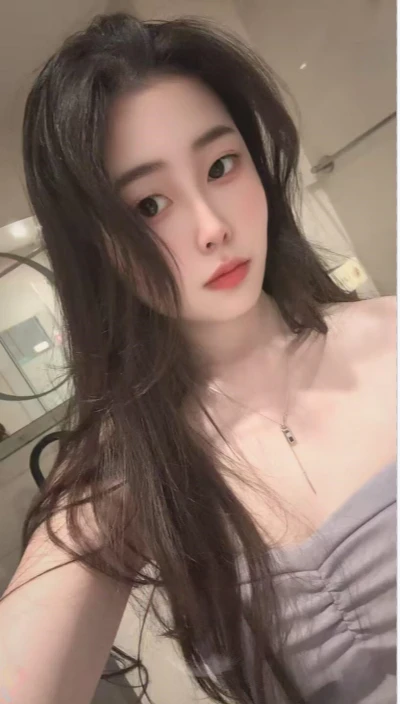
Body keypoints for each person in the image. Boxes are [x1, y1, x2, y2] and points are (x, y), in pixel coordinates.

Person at [0, 12, 395, 704]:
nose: (212, 227)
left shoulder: (389, 334)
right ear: (96, 249)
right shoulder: (131, 480)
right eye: (149, 205)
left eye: (220, 166)